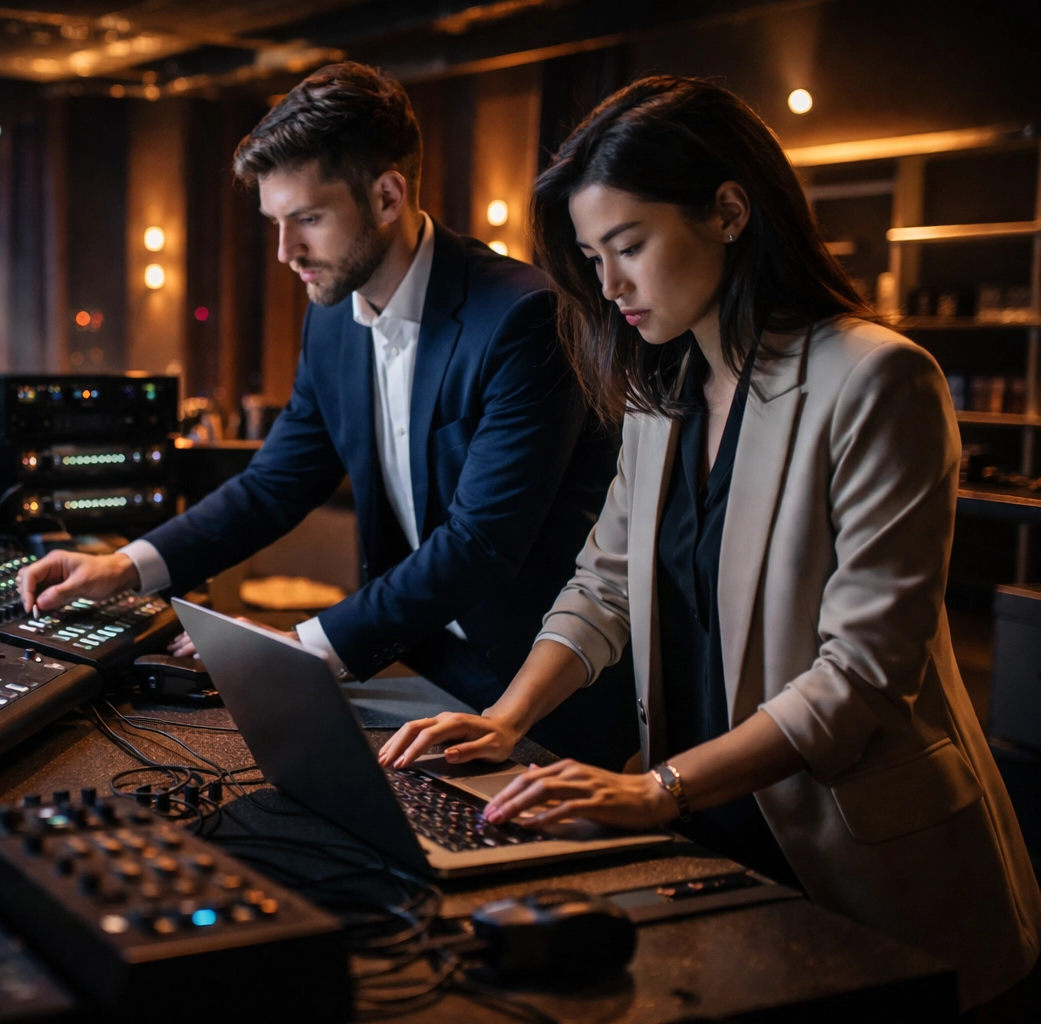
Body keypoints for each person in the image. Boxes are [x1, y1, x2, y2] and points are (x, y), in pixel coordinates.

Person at [379, 75, 1040, 1008]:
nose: (608, 287)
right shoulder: (666, 387)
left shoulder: (879, 379)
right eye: (592, 256)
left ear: (729, 211)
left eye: (629, 247)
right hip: (711, 824)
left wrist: (660, 788)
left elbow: (861, 674)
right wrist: (507, 719)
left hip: (859, 856)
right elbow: (602, 584)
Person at [18, 61, 636, 769]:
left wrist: (306, 649)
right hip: (422, 673)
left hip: (548, 699)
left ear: (386, 196)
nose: (286, 253)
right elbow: (274, 485)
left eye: (307, 219)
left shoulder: (523, 317)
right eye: (275, 224)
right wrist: (125, 568)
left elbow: (480, 542)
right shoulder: (334, 323)